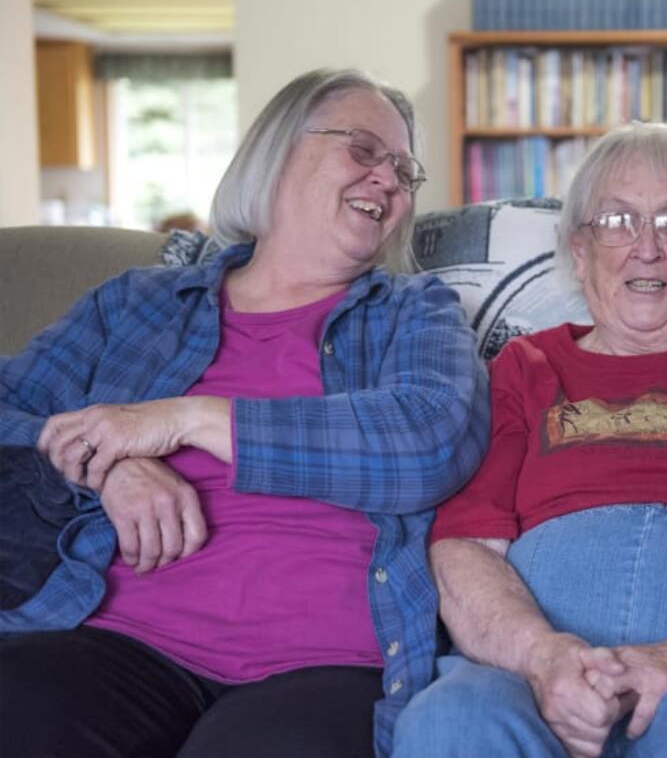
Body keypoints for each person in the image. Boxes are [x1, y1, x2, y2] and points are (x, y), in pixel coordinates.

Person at [0, 68, 490, 758]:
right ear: (279, 151)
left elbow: (429, 442)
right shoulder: (138, 304)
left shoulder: (412, 312)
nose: (389, 180)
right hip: (115, 640)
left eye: (406, 172)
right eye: (363, 151)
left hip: (321, 662)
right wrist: (108, 466)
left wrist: (187, 419)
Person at [394, 122, 667, 758]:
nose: (647, 248)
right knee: (452, 724)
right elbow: (467, 546)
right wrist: (544, 658)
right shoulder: (522, 367)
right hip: (528, 665)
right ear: (579, 252)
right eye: (616, 222)